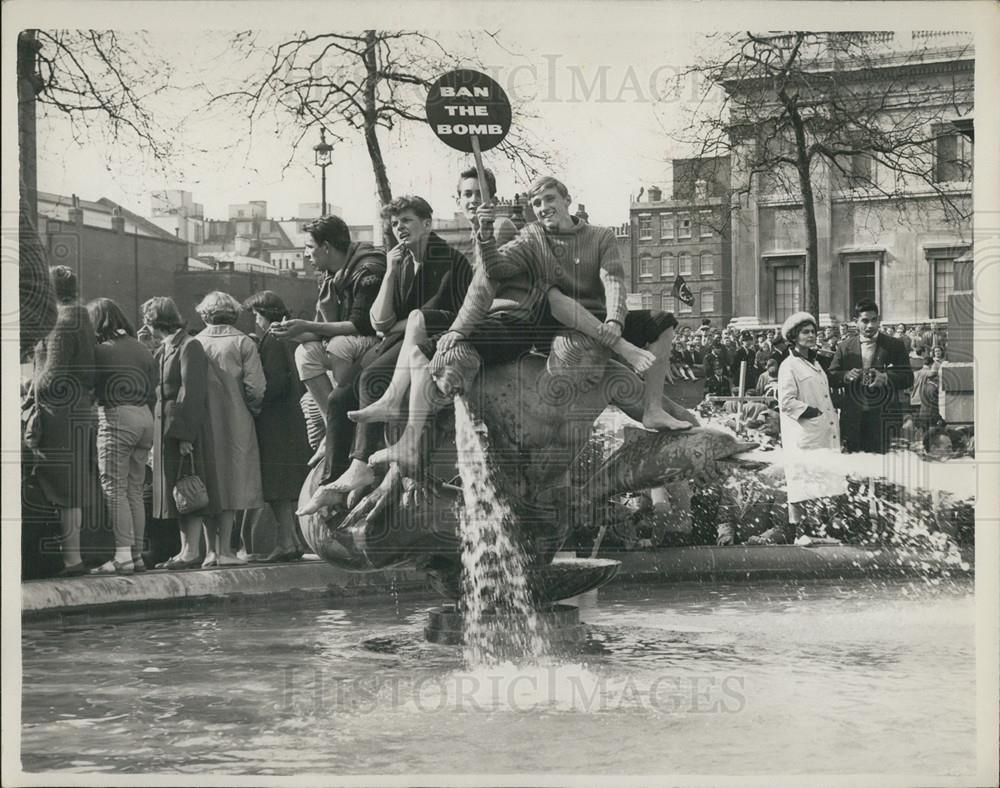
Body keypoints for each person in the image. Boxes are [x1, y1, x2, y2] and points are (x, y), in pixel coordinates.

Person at [303, 195, 474, 506]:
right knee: (339, 396)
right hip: (401, 338)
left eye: (407, 221)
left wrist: (395, 326)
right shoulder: (402, 260)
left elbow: (425, 316)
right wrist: (392, 270)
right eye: (395, 224)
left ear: (426, 223)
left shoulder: (449, 259)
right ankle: (331, 483)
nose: (400, 229)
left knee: (372, 379)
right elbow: (379, 319)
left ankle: (359, 466)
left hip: (438, 340)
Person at [270, 215, 387, 455]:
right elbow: (320, 328)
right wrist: (293, 332)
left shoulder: (369, 269)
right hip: (346, 341)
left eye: (309, 247)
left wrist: (306, 326)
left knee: (339, 344)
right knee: (304, 353)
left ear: (326, 247)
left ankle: (352, 426)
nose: (305, 254)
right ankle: (332, 427)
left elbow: (361, 325)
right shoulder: (329, 276)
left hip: (380, 341)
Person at [27, 266, 96, 576]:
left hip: (57, 412)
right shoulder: (81, 318)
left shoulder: (60, 322)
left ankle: (71, 559)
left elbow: (51, 376)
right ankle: (72, 556)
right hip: (76, 407)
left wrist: (30, 390)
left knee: (59, 484)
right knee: (71, 484)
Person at [144, 297, 218, 570]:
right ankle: (186, 549)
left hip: (182, 428)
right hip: (168, 428)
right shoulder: (168, 347)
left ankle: (190, 551)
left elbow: (192, 392)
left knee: (187, 484)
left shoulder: (190, 346)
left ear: (155, 322)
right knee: (178, 489)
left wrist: (187, 435)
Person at [194, 292, 266, 566]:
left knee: (209, 482)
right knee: (232, 482)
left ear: (204, 314)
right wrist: (253, 410)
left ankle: (210, 551)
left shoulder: (196, 342)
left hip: (204, 420)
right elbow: (256, 387)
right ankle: (225, 550)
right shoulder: (243, 342)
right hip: (237, 418)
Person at [87, 298, 157, 574]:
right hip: (145, 417)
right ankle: (137, 555)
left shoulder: (101, 350)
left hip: (117, 416)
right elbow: (153, 386)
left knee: (113, 488)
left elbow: (89, 387)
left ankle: (122, 555)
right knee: (134, 490)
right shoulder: (142, 348)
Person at [243, 291, 312, 562]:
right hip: (293, 417)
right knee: (286, 484)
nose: (255, 322)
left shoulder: (272, 338)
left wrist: (255, 400)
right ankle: (293, 541)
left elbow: (275, 382)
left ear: (265, 314)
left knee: (276, 487)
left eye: (256, 316)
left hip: (275, 422)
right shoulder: (291, 334)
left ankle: (285, 543)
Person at [776, 312, 847, 536]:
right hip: (805, 434)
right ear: (794, 337)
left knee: (826, 480)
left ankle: (826, 530)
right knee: (803, 482)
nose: (811, 336)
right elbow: (786, 402)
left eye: (813, 332)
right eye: (805, 332)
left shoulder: (815, 363)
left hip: (824, 433)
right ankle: (801, 532)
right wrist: (811, 411)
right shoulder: (789, 365)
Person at [827, 298, 913, 454]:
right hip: (853, 418)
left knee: (883, 470)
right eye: (865, 321)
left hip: (884, 419)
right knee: (854, 469)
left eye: (874, 320)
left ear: (879, 320)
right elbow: (831, 376)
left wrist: (886, 377)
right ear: (855, 322)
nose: (870, 325)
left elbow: (908, 377)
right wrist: (845, 375)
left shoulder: (894, 345)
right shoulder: (844, 347)